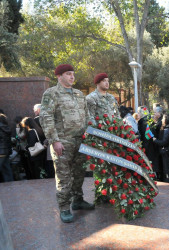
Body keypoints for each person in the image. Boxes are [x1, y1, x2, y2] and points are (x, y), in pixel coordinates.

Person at [40, 64, 94, 223]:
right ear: (59, 76)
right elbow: (46, 117)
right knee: (64, 177)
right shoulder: (51, 94)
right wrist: (54, 140)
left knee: (79, 174)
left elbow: (86, 116)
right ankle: (64, 207)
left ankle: (77, 200)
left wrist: (90, 135)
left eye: (73, 74)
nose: (72, 77)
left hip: (80, 142)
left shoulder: (79, 94)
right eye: (68, 74)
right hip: (62, 142)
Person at [153, 114, 169, 183]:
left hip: (166, 151)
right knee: (168, 169)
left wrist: (155, 140)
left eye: (163, 119)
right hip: (168, 151)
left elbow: (164, 142)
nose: (161, 120)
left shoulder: (167, 129)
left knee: (167, 170)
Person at [0, 114, 14, 182]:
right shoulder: (6, 127)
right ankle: (10, 185)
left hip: (0, 151)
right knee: (7, 170)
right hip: (6, 151)